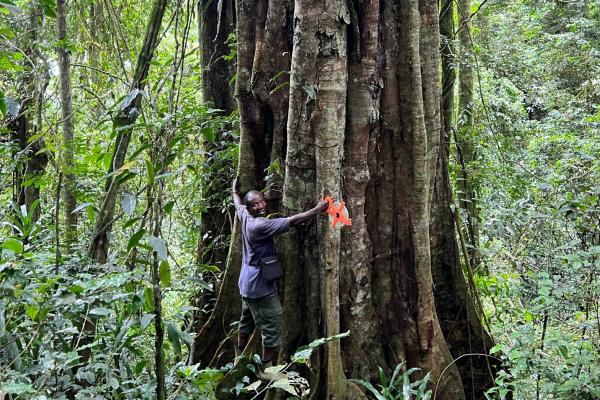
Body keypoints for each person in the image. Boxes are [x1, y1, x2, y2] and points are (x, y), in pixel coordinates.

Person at [232, 178, 327, 373]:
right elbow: (293, 221)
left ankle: (238, 357)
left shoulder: (243, 214)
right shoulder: (259, 225)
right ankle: (267, 370)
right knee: (273, 324)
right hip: (259, 286)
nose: (259, 207)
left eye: (261, 202)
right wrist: (318, 208)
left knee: (247, 320)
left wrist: (234, 189)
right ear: (249, 208)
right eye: (254, 205)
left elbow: (236, 202)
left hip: (246, 283)